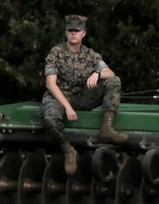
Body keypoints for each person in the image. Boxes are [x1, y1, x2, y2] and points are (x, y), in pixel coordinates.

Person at [41, 15, 127, 176]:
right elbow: (50, 84)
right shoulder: (56, 53)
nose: (73, 34)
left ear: (84, 34)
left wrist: (97, 73)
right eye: (70, 30)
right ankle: (68, 150)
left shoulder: (89, 54)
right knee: (49, 118)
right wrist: (67, 107)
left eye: (77, 30)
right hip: (59, 97)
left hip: (81, 96)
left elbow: (110, 72)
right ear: (66, 32)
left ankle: (106, 128)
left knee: (113, 81)